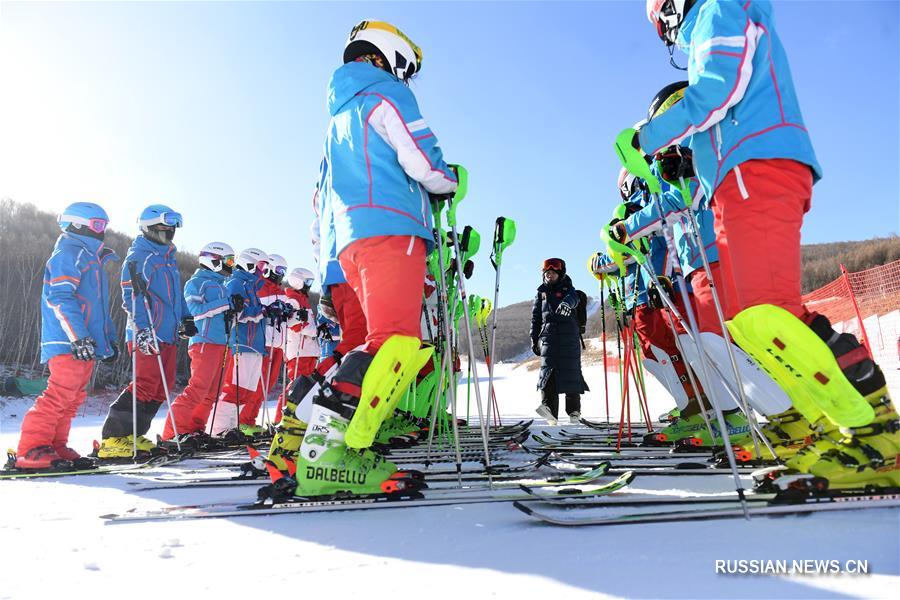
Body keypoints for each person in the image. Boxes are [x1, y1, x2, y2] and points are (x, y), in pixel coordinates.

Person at [633, 0, 897, 490]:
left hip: (757, 165)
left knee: (767, 311)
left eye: (660, 21)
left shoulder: (718, 8)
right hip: (735, 176)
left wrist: (649, 136)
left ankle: (877, 434)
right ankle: (813, 427)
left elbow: (718, 89)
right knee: (746, 318)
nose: (666, 34)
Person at [282, 20, 458, 497]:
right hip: (392, 225)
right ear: (391, 56)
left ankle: (299, 435)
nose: (407, 77)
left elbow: (321, 207)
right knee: (396, 345)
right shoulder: (385, 92)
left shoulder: (337, 117)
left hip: (351, 242)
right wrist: (447, 180)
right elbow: (420, 156)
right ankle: (333, 454)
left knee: (369, 343)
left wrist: (326, 270)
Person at [14, 203, 118, 469]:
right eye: (97, 225)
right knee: (60, 394)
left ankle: (55, 445)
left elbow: (100, 310)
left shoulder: (91, 259)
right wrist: (78, 337)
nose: (102, 231)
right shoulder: (69, 252)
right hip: (67, 341)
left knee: (73, 399)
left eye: (104, 225)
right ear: (77, 223)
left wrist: (107, 342)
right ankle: (31, 449)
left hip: (85, 343)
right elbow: (58, 296)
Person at [98, 204, 193, 458]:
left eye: (172, 228)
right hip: (147, 331)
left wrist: (186, 317)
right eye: (164, 227)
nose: (169, 232)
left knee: (163, 385)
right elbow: (131, 297)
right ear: (149, 228)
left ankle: (133, 434)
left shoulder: (168, 259)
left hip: (168, 333)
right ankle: (114, 437)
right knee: (146, 384)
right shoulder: (140, 256)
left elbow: (176, 297)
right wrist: (142, 329)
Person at [161, 242, 236, 441]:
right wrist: (225, 304)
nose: (231, 265)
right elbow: (194, 312)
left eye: (232, 261)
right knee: (198, 389)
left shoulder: (223, 286)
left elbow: (224, 312)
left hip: (223, 342)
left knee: (213, 392)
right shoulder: (197, 282)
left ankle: (194, 429)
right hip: (205, 340)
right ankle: (173, 433)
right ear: (214, 260)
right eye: (228, 260)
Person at [210, 247, 267, 437]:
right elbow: (235, 312)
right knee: (235, 387)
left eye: (263, 267)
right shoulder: (236, 282)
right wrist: (259, 313)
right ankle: (220, 428)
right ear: (248, 263)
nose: (261, 271)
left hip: (256, 344)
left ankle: (233, 426)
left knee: (248, 389)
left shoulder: (252, 287)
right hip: (242, 341)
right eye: (259, 266)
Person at [530, 258, 588, 425]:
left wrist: (567, 304)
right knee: (548, 375)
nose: (549, 275)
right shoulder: (541, 294)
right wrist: (534, 339)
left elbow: (575, 298)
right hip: (548, 339)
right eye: (547, 273)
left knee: (571, 374)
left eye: (553, 272)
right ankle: (549, 412)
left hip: (569, 338)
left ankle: (574, 412)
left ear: (560, 274)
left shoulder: (569, 289)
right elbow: (535, 319)